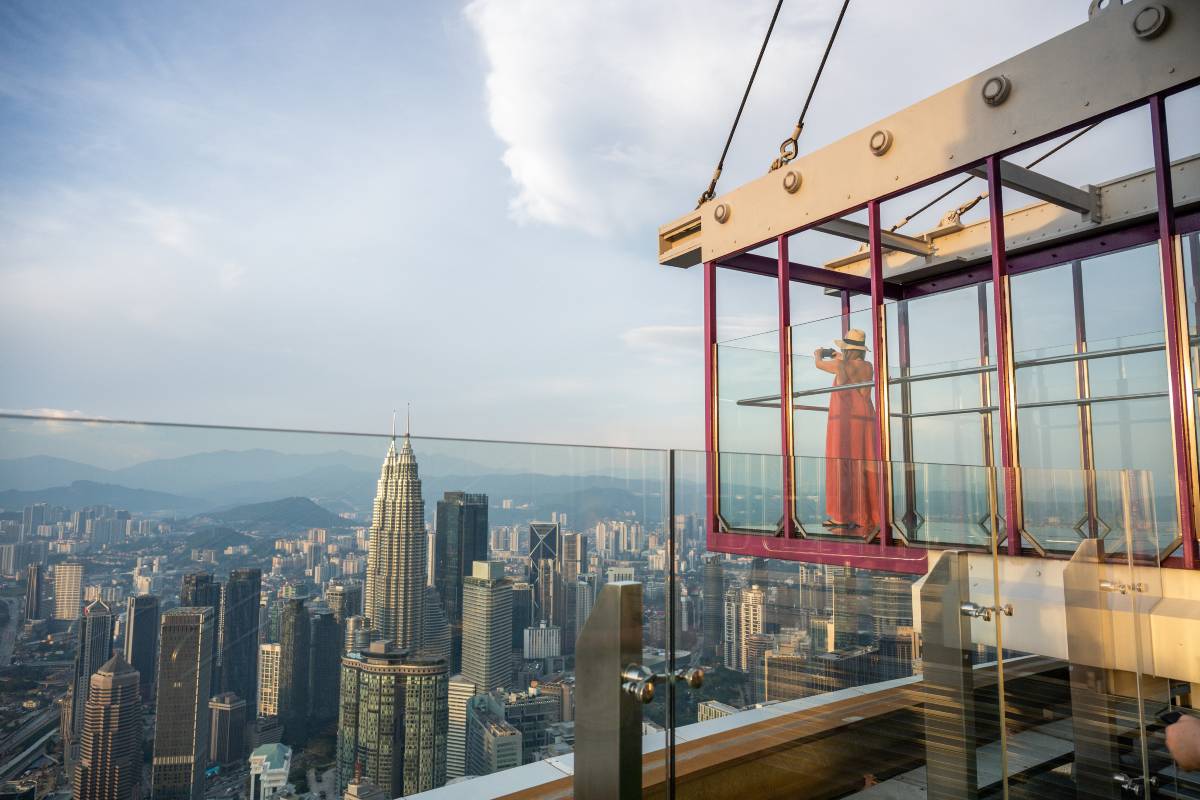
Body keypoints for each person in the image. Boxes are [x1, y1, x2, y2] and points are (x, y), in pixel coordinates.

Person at [814, 328, 879, 533]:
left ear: (847, 349)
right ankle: (865, 514)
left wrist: (818, 354)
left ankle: (842, 516)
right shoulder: (868, 366)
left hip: (846, 420)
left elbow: (819, 364)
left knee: (841, 462)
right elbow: (851, 367)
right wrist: (839, 356)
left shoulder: (842, 365)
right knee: (864, 461)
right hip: (866, 418)